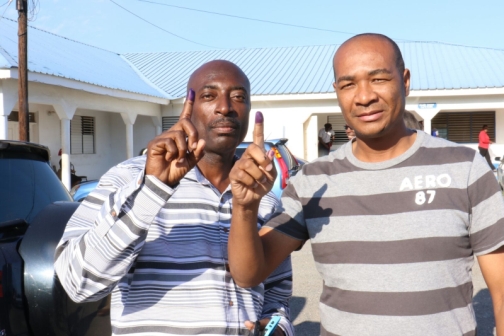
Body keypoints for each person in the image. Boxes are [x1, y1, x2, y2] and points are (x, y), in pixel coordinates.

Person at [228, 34, 504, 336]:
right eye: (348, 85)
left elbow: (502, 292)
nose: (363, 96)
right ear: (337, 92)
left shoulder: (465, 169)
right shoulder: (313, 181)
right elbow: (247, 273)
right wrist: (244, 206)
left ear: (405, 80)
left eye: (378, 79)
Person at [54, 60, 294, 336]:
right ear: (188, 109)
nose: (225, 107)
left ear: (249, 111)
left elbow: (277, 296)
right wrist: (153, 190)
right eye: (208, 95)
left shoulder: (262, 197)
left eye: (238, 97)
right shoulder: (128, 177)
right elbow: (77, 284)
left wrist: (275, 329)